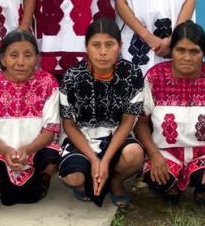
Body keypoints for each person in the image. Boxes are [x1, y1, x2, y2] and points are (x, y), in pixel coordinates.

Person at [135, 21, 205, 206]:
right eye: (180, 50)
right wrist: (154, 155)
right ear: (171, 51)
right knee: (156, 177)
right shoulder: (155, 77)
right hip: (165, 153)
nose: (187, 57)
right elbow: (141, 123)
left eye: (194, 51)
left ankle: (201, 189)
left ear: (203, 52)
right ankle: (171, 188)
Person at [59, 18, 144, 207]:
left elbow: (127, 122)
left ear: (120, 46)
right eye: (96, 45)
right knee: (73, 178)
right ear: (86, 47)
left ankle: (115, 180)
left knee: (134, 154)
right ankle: (87, 177)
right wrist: (93, 158)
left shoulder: (132, 74)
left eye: (109, 44)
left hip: (115, 137)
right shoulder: (72, 76)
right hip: (81, 138)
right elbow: (69, 125)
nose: (103, 52)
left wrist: (104, 161)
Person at [0, 29, 61, 206]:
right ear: (2, 59)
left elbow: (50, 130)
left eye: (28, 55)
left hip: (36, 147)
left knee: (51, 160)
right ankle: (1, 179)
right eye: (13, 55)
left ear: (37, 58)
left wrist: (28, 149)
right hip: (2, 150)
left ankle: (42, 176)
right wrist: (7, 151)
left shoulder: (48, 83)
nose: (21, 62)